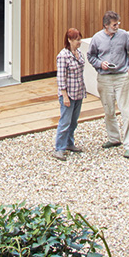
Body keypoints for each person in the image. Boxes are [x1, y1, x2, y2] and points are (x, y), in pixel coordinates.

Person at [87, 10, 129, 157]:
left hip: (122, 77)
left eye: (118, 24)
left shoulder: (124, 35)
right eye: (114, 25)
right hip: (105, 78)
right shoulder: (97, 38)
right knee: (109, 111)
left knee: (126, 111)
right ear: (106, 25)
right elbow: (91, 56)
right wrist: (100, 64)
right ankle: (114, 138)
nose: (117, 26)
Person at [52, 28, 86, 160]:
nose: (79, 42)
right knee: (65, 121)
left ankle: (69, 143)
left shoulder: (79, 53)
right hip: (69, 94)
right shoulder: (63, 56)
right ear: (69, 40)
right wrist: (64, 96)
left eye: (80, 39)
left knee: (73, 121)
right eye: (77, 40)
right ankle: (59, 148)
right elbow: (61, 78)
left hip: (78, 92)